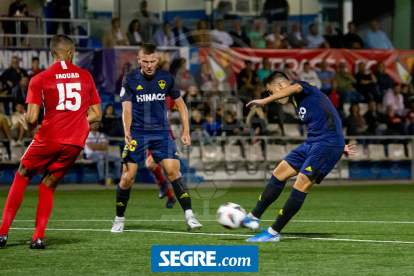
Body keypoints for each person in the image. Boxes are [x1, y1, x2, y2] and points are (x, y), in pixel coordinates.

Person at [0, 35, 102, 249]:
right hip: (75, 142)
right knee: (48, 186)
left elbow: (31, 119)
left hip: (50, 137)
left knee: (22, 174)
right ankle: (38, 237)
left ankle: (2, 234)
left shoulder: (39, 78)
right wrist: (74, 121)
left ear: (52, 54)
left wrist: (27, 125)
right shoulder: (85, 76)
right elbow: (97, 114)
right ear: (71, 53)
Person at [242, 71, 356, 242]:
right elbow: (328, 113)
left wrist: (265, 101)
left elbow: (295, 87)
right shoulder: (297, 100)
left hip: (325, 143)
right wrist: (339, 144)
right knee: (279, 172)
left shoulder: (302, 87)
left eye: (270, 92)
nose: (272, 96)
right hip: (315, 142)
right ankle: (253, 216)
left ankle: (273, 233)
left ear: (280, 85)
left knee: (300, 183)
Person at [110, 44, 202, 233]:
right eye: (145, 61)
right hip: (137, 132)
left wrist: (186, 130)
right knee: (128, 177)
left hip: (161, 132)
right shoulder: (130, 79)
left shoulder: (166, 78)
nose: (149, 65)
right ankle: (119, 218)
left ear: (157, 60)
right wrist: (126, 129)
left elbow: (182, 106)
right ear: (138, 60)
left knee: (173, 171)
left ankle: (190, 217)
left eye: (153, 61)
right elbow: (126, 109)